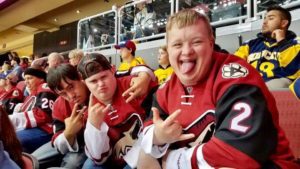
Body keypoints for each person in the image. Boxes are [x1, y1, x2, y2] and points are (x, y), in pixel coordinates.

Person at [137, 9, 299, 169]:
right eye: (177, 44)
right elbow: (148, 127)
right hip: (202, 159)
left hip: (262, 164)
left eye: (196, 42)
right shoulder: (167, 88)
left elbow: (239, 154)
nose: (186, 52)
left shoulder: (236, 77)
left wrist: (174, 160)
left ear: (211, 44)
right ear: (169, 49)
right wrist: (158, 136)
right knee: (145, 154)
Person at [77, 53, 157, 168]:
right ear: (85, 84)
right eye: (93, 81)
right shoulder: (88, 111)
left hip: (144, 151)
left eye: (104, 77)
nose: (101, 84)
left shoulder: (132, 84)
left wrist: (145, 76)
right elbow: (99, 158)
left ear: (113, 71)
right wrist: (94, 127)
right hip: (112, 160)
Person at [235, 6, 300, 89]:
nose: (264, 22)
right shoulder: (249, 44)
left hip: (281, 88)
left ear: (284, 23)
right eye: (264, 19)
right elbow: (234, 67)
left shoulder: (296, 42)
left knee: (280, 83)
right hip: (250, 87)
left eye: (270, 18)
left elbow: (294, 70)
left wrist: (282, 42)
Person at [9, 66, 57, 153]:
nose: (26, 82)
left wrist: (11, 119)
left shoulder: (44, 87)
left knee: (11, 141)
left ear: (41, 79)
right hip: (33, 128)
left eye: (30, 78)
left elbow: (43, 114)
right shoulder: (31, 94)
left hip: (45, 129)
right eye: (25, 79)